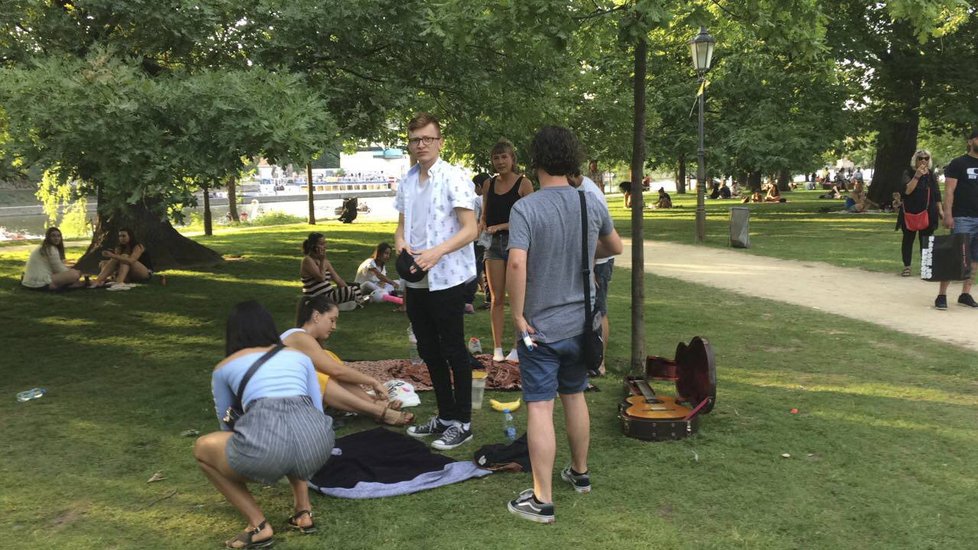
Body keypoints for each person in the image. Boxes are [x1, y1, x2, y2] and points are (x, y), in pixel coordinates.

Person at [505, 125, 623, 524]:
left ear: (534, 159)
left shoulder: (526, 208)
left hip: (541, 329)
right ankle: (580, 473)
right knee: (575, 396)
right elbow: (614, 246)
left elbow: (517, 262)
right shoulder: (589, 201)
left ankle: (542, 500)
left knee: (540, 408)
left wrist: (517, 315)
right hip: (581, 325)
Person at [193, 301, 333, 549]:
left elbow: (227, 421)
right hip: (318, 445)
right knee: (294, 431)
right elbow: (316, 408)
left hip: (268, 447)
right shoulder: (299, 358)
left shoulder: (224, 368)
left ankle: (258, 526)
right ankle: (303, 512)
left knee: (203, 449)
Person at [395, 112, 478, 450]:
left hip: (447, 277)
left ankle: (464, 421)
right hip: (416, 278)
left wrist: (436, 253)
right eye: (416, 140)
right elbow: (401, 225)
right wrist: (400, 242)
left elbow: (471, 229)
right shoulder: (407, 181)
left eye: (428, 138)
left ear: (440, 142)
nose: (422, 144)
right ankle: (445, 416)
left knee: (454, 348)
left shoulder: (454, 177)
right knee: (428, 348)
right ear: (410, 144)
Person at [281, 296, 413, 425]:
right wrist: (373, 381)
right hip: (279, 399)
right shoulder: (299, 336)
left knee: (327, 358)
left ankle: (375, 405)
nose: (334, 327)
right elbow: (336, 371)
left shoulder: (303, 338)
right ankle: (377, 410)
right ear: (316, 316)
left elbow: (337, 371)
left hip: (292, 393)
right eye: (332, 320)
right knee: (317, 376)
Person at [480, 139, 534, 362]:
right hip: (492, 245)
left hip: (516, 244)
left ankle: (516, 346)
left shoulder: (524, 183)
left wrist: (501, 226)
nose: (500, 162)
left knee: (517, 298)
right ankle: (498, 348)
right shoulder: (488, 185)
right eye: (496, 158)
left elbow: (531, 218)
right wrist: (482, 226)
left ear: (513, 159)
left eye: (504, 157)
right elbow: (484, 215)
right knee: (496, 298)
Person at [570, 169, 617, 377]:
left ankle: (600, 362)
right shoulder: (580, 188)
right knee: (589, 309)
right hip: (590, 260)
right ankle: (590, 358)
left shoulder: (590, 193)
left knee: (600, 310)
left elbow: (598, 234)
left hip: (599, 261)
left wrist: (592, 270)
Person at [935, 128, 978, 310]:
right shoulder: (958, 164)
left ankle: (965, 293)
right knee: (955, 255)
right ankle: (942, 295)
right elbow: (949, 190)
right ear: (970, 141)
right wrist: (948, 214)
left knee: (975, 258)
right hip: (962, 217)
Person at [898, 150, 942, 277]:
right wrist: (917, 175)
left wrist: (941, 210)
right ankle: (907, 266)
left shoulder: (931, 175)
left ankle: (926, 268)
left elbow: (936, 193)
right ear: (915, 160)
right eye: (920, 158)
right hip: (910, 211)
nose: (923, 161)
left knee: (927, 240)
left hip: (928, 211)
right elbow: (907, 191)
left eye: (926, 158)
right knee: (908, 239)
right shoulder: (908, 173)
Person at [300, 232, 362, 307]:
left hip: (328, 295)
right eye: (322, 244)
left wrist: (350, 289)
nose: (325, 247)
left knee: (354, 288)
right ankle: (350, 304)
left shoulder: (325, 262)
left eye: (325, 243)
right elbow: (321, 278)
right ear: (313, 246)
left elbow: (338, 280)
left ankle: (357, 303)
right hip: (316, 298)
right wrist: (322, 260)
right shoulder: (308, 260)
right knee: (349, 291)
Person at [89, 227, 153, 288]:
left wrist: (112, 255)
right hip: (129, 273)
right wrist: (107, 261)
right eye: (120, 236)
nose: (121, 238)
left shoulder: (138, 246)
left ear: (130, 236)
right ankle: (99, 280)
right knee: (104, 262)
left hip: (144, 273)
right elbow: (115, 261)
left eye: (124, 236)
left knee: (124, 256)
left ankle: (119, 282)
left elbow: (131, 261)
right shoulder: (119, 247)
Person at [466, 173, 492, 313]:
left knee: (475, 268)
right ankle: (490, 298)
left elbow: (475, 221)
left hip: (479, 238)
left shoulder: (478, 200)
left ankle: (468, 299)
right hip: (491, 238)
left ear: (479, 186)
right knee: (488, 270)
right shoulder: (494, 198)